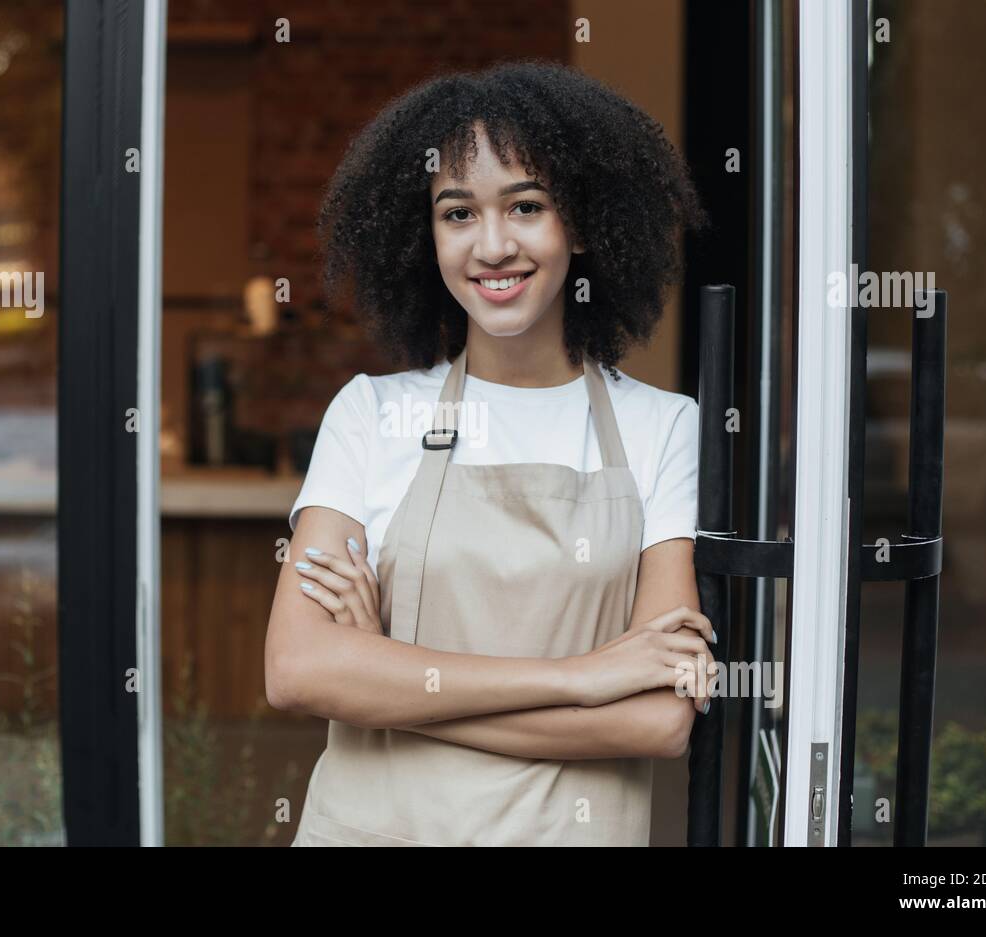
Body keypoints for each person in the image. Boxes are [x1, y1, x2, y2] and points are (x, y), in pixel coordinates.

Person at [265, 60, 717, 847]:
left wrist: (385, 674)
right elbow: (298, 670)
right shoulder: (372, 414)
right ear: (427, 235)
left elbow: (658, 718)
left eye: (527, 205)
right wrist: (582, 678)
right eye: (458, 212)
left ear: (579, 223)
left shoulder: (666, 428)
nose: (494, 245)